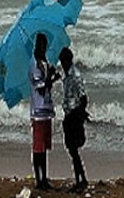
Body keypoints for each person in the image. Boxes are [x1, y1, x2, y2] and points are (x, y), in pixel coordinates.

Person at [29, 33, 60, 190]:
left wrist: (52, 77)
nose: (44, 48)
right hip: (38, 111)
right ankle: (38, 179)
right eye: (42, 46)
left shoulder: (43, 63)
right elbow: (40, 87)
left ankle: (44, 178)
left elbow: (46, 86)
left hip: (46, 110)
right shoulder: (34, 64)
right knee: (38, 148)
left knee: (44, 148)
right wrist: (50, 78)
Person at [59, 46, 90, 190]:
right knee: (72, 149)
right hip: (69, 114)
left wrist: (80, 114)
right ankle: (80, 179)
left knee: (73, 149)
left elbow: (83, 97)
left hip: (73, 115)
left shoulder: (75, 75)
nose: (62, 64)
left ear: (68, 61)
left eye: (63, 61)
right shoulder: (66, 76)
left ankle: (81, 180)